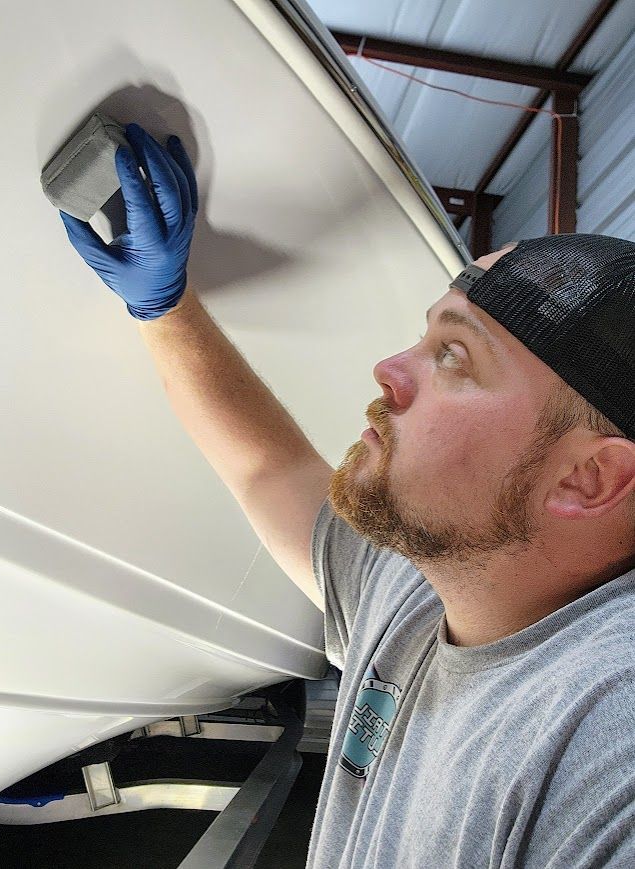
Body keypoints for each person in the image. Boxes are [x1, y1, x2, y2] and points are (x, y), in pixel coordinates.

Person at [61, 123, 635, 868]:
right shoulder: (424, 584)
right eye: (423, 339)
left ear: (586, 478)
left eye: (452, 357)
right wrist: (164, 306)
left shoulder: (606, 737)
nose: (388, 369)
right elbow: (267, 469)